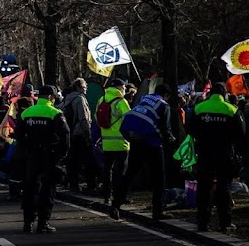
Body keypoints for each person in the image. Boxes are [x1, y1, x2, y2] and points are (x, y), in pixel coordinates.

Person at [186, 83, 246, 232]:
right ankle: (225, 222)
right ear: (224, 94)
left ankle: (202, 222)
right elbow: (241, 133)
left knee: (204, 187)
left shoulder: (199, 108)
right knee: (224, 187)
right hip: (224, 153)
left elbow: (190, 128)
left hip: (205, 152)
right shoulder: (232, 109)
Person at [114, 83, 175, 221]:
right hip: (152, 143)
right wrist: (171, 140)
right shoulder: (163, 105)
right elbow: (165, 128)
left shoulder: (144, 99)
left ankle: (115, 205)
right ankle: (157, 211)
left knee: (129, 174)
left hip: (136, 140)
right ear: (166, 95)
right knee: (159, 178)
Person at [15, 84, 70, 233]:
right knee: (48, 188)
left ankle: (28, 223)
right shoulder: (55, 113)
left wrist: (26, 151)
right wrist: (60, 156)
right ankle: (43, 223)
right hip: (50, 156)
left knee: (30, 188)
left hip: (32, 156)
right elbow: (65, 137)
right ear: (51, 97)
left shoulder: (26, 113)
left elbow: (18, 135)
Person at [95, 79, 131, 207]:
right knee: (120, 171)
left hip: (106, 141)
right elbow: (129, 119)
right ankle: (119, 196)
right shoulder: (121, 101)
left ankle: (106, 195)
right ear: (119, 87)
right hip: (121, 141)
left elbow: (96, 117)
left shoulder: (101, 100)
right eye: (124, 87)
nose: (125, 89)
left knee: (107, 169)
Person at [61, 78, 97, 193]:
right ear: (79, 87)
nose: (86, 89)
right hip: (80, 133)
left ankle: (73, 185)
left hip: (71, 133)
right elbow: (84, 118)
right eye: (84, 86)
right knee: (88, 161)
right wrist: (88, 134)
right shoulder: (80, 99)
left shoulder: (67, 99)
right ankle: (91, 185)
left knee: (73, 161)